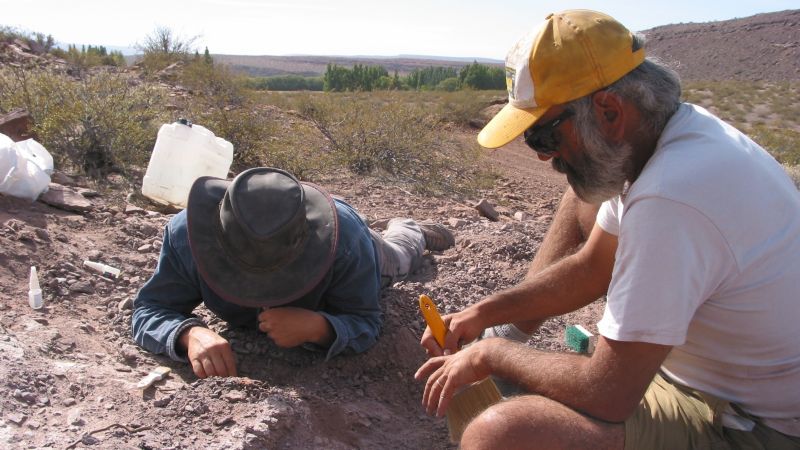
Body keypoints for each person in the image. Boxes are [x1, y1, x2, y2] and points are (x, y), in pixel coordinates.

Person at [415, 9, 800, 450]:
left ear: (610, 111)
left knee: (500, 434)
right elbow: (592, 268)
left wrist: (490, 354)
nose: (544, 157)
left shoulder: (671, 199)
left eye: (545, 136)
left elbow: (609, 394)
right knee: (581, 194)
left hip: (751, 424)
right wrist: (484, 314)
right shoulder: (666, 137)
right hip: (700, 380)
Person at [132, 166, 454, 379]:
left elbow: (365, 321)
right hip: (314, 220)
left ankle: (411, 229)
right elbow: (148, 309)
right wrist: (190, 334)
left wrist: (320, 327)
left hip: (349, 233)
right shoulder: (186, 237)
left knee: (400, 257)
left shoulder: (346, 243)